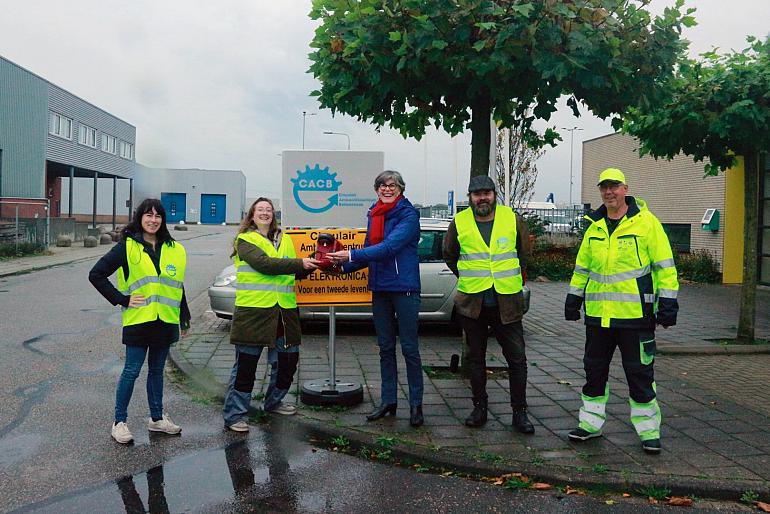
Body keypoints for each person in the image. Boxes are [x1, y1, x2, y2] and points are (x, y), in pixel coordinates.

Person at [565, 168, 679, 454]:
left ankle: (649, 431)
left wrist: (668, 303)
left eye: (614, 187)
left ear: (625, 188)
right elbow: (582, 268)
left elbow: (665, 266)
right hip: (599, 318)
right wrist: (573, 298)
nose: (609, 192)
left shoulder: (646, 224)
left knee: (640, 375)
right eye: (604, 187)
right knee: (594, 373)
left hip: (635, 318)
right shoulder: (595, 227)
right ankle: (590, 424)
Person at [327, 170, 424, 427]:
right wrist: (338, 266)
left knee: (410, 349)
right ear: (377, 189)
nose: (387, 189)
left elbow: (389, 248)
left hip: (404, 288)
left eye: (392, 185)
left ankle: (416, 404)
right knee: (385, 348)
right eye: (382, 185)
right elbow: (371, 250)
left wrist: (350, 256)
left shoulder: (408, 215)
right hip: (380, 288)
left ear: (401, 188)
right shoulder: (375, 214)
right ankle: (388, 401)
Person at [89, 198, 189, 444]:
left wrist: (184, 318)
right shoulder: (128, 246)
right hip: (139, 320)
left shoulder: (175, 249)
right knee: (132, 371)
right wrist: (121, 299)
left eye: (158, 216)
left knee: (156, 371)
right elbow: (96, 274)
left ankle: (157, 419)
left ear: (163, 219)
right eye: (148, 215)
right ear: (139, 218)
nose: (153, 220)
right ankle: (119, 422)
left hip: (165, 320)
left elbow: (177, 287)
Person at [443, 175, 535, 434]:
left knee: (517, 359)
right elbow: (449, 255)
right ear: (470, 197)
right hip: (473, 303)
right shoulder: (459, 222)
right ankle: (479, 408)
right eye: (476, 194)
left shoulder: (512, 219)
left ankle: (520, 413)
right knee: (476, 359)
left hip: (507, 303)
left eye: (487, 193)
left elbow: (524, 255)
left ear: (495, 195)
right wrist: (470, 277)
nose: (482, 198)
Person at [222, 197, 320, 432]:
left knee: (287, 363)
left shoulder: (285, 240)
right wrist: (300, 264)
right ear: (252, 215)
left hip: (284, 312)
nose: (265, 213)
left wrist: (316, 263)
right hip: (254, 312)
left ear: (273, 214)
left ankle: (273, 402)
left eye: (268, 210)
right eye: (260, 210)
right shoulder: (244, 240)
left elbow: (291, 273)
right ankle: (235, 415)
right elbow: (265, 264)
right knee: (245, 368)